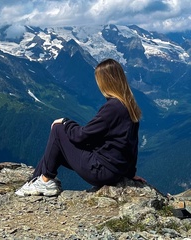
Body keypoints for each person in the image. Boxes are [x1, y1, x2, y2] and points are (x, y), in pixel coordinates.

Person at [15, 58, 145, 197]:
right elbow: (131, 145)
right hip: (116, 171)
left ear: (105, 81)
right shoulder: (128, 106)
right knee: (57, 145)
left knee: (58, 130)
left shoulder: (113, 108)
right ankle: (37, 180)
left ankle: (45, 180)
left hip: (102, 171)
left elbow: (82, 136)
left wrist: (65, 122)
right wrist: (130, 173)